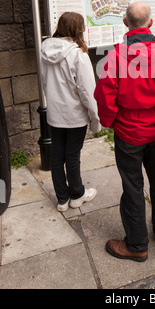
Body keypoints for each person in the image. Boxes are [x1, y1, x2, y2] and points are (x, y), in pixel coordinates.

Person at [94, 1, 155, 262]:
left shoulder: (115, 56)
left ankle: (137, 244)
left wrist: (111, 121)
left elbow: (104, 97)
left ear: (125, 23)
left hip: (128, 133)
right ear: (152, 24)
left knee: (132, 187)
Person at [41, 12, 101, 212]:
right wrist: (95, 119)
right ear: (78, 29)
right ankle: (77, 194)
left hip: (55, 113)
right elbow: (87, 92)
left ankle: (62, 199)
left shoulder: (45, 50)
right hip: (74, 115)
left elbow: (44, 81)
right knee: (72, 156)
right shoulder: (78, 55)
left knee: (57, 156)